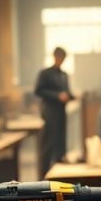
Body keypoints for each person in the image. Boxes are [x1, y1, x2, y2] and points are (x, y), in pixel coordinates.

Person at [34, 47, 73, 177]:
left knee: (61, 139)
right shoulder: (45, 73)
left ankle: (60, 168)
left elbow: (67, 92)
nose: (61, 61)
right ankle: (44, 173)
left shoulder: (64, 74)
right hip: (50, 110)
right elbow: (38, 91)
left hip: (61, 110)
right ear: (55, 56)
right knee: (48, 142)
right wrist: (57, 96)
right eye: (59, 57)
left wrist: (71, 96)